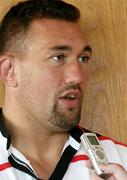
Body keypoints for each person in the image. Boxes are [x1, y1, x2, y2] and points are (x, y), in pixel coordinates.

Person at [0, 0, 126, 179]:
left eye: (83, 58)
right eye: (58, 57)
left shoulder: (121, 161)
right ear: (9, 70)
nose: (78, 76)